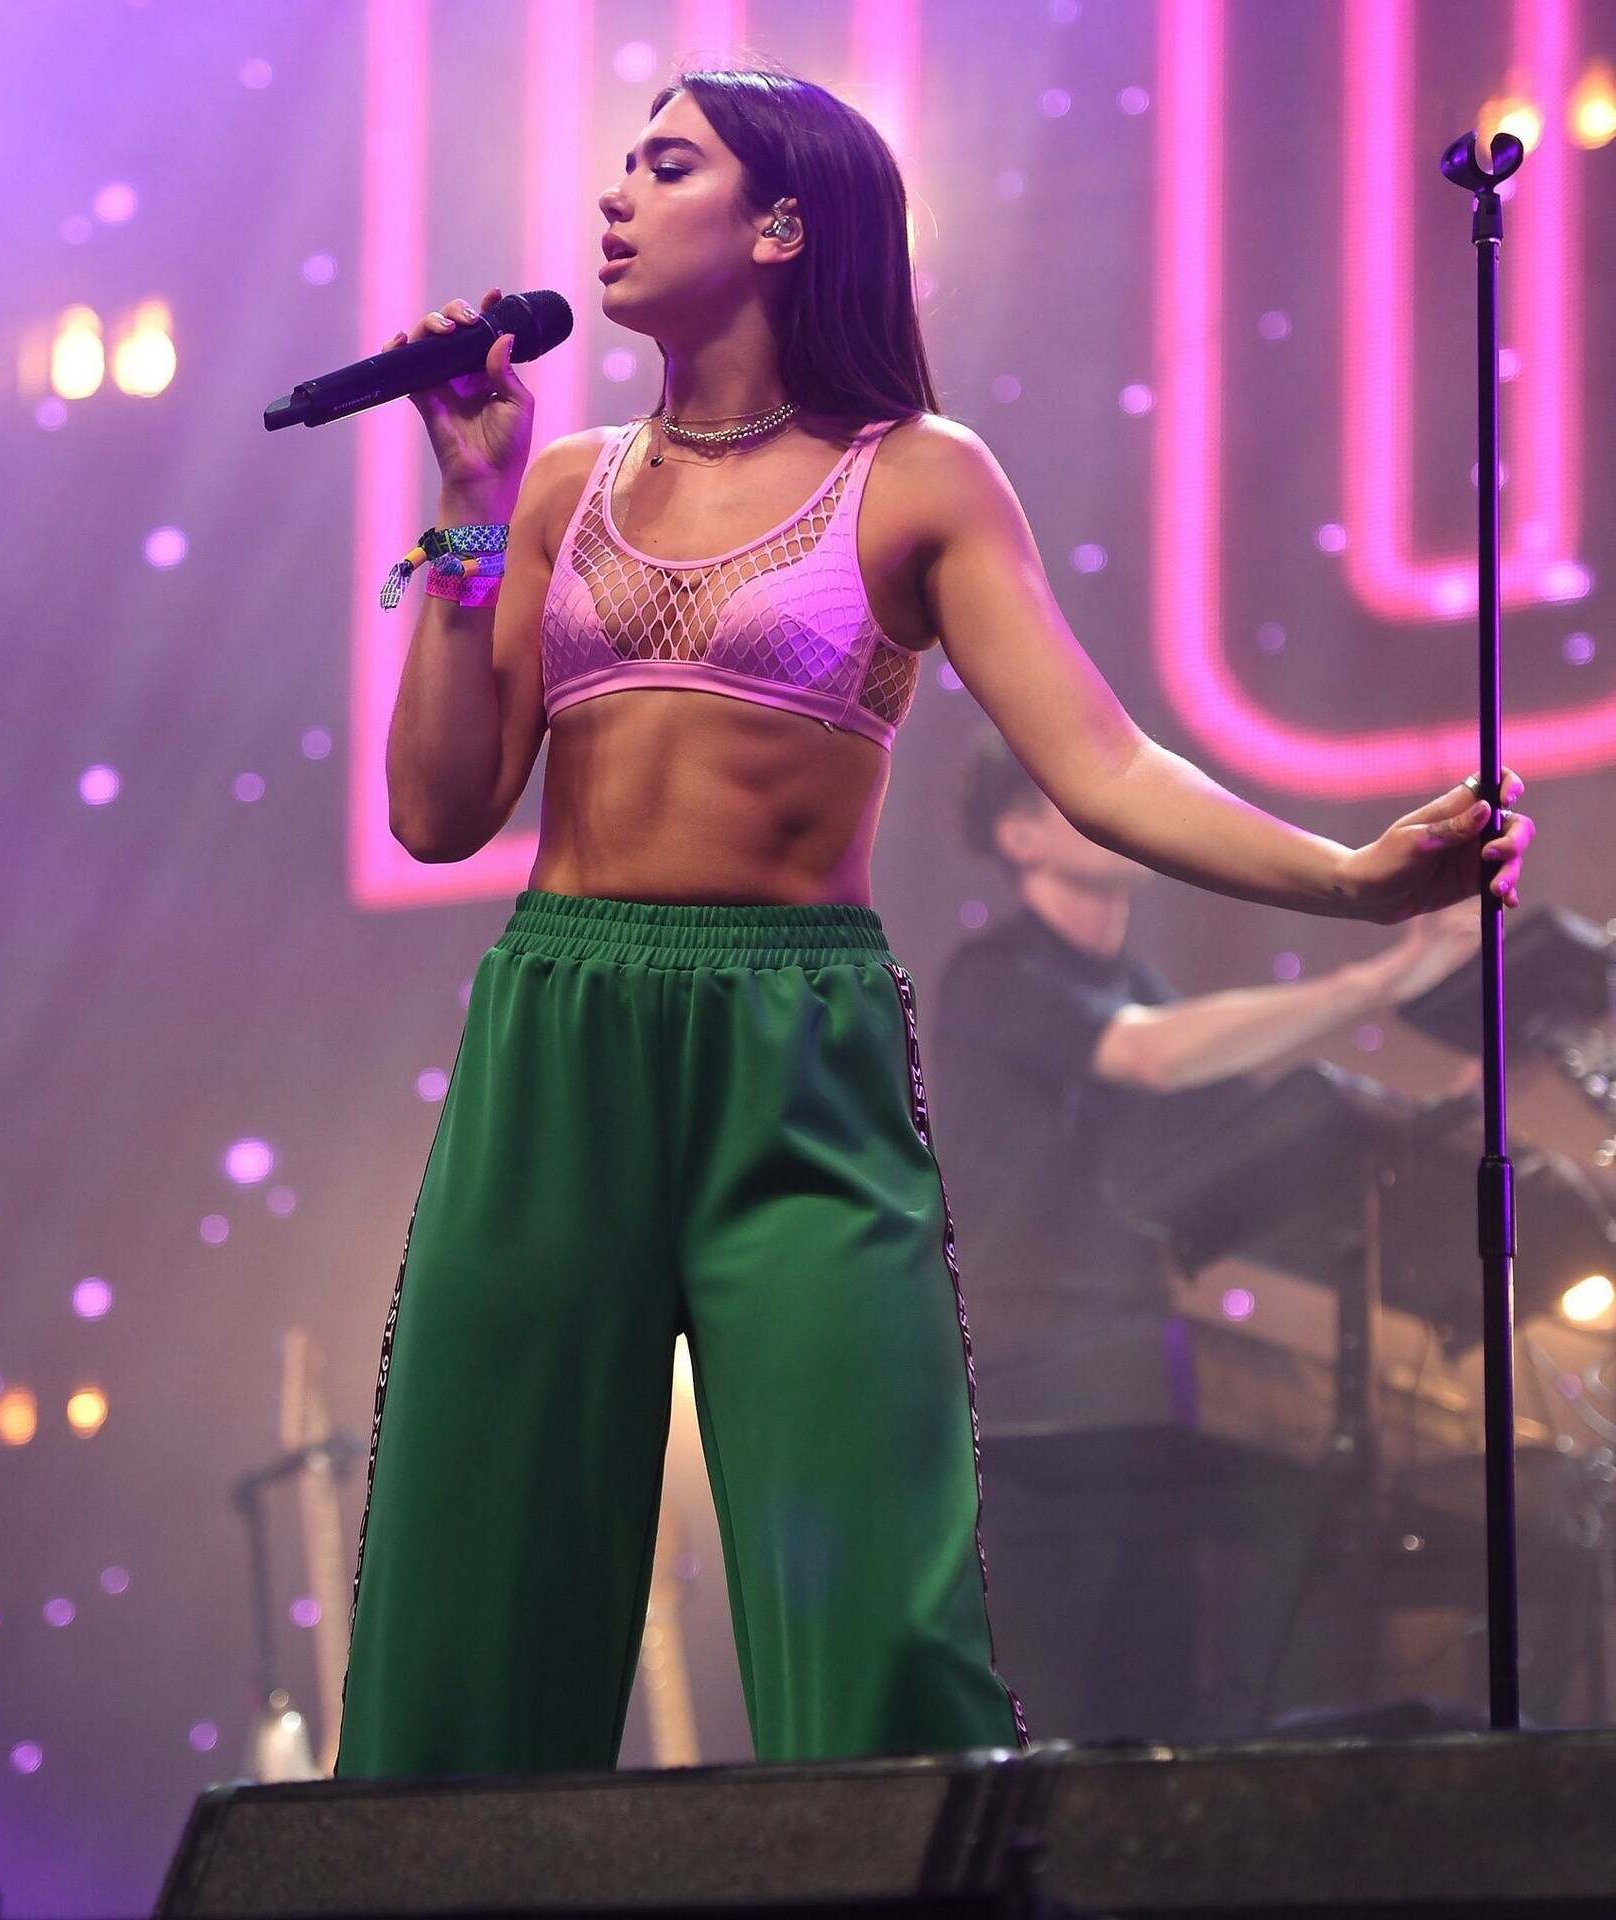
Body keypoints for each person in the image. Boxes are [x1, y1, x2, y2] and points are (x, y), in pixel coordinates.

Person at [332, 66, 1533, 1779]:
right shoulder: (555, 484)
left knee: (873, 1586)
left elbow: (1103, 767)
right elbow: (438, 812)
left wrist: (1347, 881)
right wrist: (465, 505)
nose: (613, 194)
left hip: (791, 1049)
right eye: (622, 164)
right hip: (559, 1026)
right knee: (477, 1565)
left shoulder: (916, 477)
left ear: (780, 223)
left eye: (665, 164)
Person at [933, 730, 1483, 1742]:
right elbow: (1149, 1058)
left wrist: (1451, 1106)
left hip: (1134, 1380)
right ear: (1016, 836)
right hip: (1022, 1391)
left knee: (1158, 1701)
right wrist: (1376, 983)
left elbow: (1249, 1140)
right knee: (1052, 1700)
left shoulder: (1144, 986)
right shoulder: (992, 975)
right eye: (1069, 794)